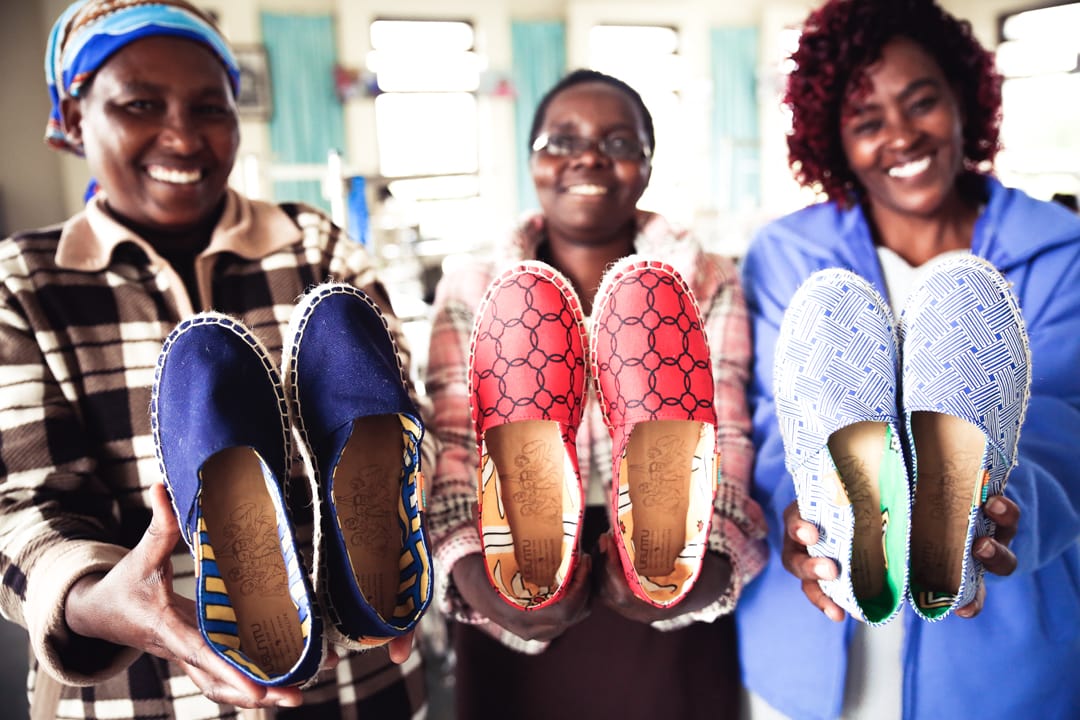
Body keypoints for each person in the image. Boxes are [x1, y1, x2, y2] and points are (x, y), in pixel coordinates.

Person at [0, 1, 427, 717]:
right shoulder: (22, 284)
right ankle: (338, 608)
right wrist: (91, 598)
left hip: (355, 693)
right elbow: (18, 506)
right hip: (144, 698)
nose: (182, 135)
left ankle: (368, 592)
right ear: (74, 120)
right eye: (140, 104)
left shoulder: (314, 245)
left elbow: (398, 408)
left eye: (211, 107)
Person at [737, 0, 1080, 718]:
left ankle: (955, 545)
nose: (900, 135)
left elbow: (1064, 420)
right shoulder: (786, 255)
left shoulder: (1063, 251)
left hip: (1002, 666)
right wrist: (796, 514)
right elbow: (767, 422)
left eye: (922, 102)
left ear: (965, 100)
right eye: (866, 122)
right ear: (833, 140)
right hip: (808, 659)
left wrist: (1016, 512)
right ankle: (844, 540)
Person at [424, 68, 768, 720]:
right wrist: (476, 579)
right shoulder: (472, 286)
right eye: (561, 141)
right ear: (531, 163)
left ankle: (661, 567)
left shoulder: (706, 279)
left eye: (618, 143)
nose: (588, 156)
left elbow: (726, 439)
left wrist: (707, 569)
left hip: (676, 555)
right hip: (506, 561)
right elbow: (453, 452)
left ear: (646, 166)